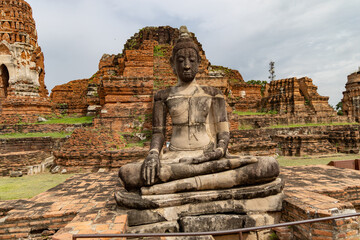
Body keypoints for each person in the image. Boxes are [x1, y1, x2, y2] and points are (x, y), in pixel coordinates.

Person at [115, 27, 279, 203]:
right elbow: (158, 133)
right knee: (128, 173)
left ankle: (172, 187)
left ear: (199, 63)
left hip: (210, 157)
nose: (186, 65)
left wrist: (219, 150)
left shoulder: (213, 94)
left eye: (192, 60)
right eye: (180, 60)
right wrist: (154, 154)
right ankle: (209, 184)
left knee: (268, 166)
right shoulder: (162, 96)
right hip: (176, 159)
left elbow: (223, 132)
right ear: (172, 64)